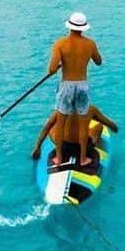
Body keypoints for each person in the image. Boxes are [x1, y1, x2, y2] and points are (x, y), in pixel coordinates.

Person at [44, 10, 102, 167]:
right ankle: (83, 158)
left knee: (61, 123)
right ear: (84, 28)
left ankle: (59, 157)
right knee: (84, 124)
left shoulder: (60, 44)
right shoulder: (90, 44)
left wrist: (61, 64)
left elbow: (51, 69)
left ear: (69, 27)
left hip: (67, 86)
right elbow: (98, 61)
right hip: (82, 85)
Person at [31, 103, 118, 163]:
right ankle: (95, 142)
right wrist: (114, 127)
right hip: (84, 149)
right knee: (99, 126)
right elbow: (113, 127)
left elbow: (46, 128)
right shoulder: (91, 109)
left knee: (51, 127)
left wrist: (37, 147)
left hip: (63, 148)